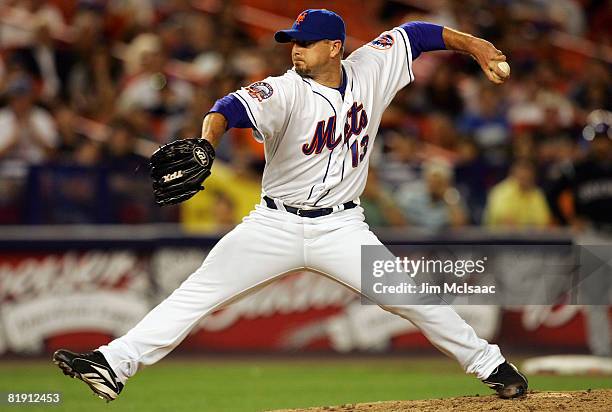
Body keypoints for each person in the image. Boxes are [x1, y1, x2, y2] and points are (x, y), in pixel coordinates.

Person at [53, 9, 527, 402]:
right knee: (196, 294)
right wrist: (206, 142)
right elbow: (227, 108)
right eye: (292, 42)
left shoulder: (371, 68)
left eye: (305, 42)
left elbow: (420, 34)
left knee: (412, 298)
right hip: (273, 226)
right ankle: (112, 364)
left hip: (343, 228)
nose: (295, 49)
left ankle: (491, 365)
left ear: (335, 48)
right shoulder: (285, 89)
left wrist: (477, 46)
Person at [484, 159, 551, 229]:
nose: (526, 177)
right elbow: (506, 221)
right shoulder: (501, 192)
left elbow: (544, 221)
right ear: (513, 174)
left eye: (528, 176)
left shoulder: (537, 194)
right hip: (500, 238)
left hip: (533, 237)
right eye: (522, 176)